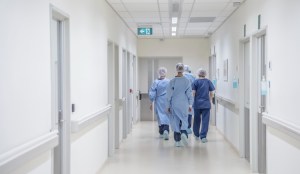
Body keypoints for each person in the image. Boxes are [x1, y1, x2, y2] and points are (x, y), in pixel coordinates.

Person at [167, 63, 193, 147]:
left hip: (174, 104)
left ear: (176, 69)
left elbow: (168, 95)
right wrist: (190, 105)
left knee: (175, 121)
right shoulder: (187, 81)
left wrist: (167, 106)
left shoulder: (172, 81)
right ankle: (184, 134)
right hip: (184, 104)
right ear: (183, 70)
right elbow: (190, 94)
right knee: (184, 120)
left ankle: (177, 141)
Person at [192, 68, 215, 143]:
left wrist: (192, 102)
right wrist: (210, 101)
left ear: (198, 74)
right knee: (205, 120)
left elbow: (193, 93)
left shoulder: (195, 82)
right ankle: (203, 136)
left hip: (197, 104)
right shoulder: (208, 82)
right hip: (206, 104)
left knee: (196, 119)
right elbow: (212, 93)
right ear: (205, 74)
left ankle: (196, 134)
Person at [149, 67, 170, 140]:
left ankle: (161, 131)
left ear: (159, 73)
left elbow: (152, 93)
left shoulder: (156, 82)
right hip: (167, 100)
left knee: (160, 115)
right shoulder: (169, 81)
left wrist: (151, 102)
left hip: (159, 101)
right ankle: (166, 130)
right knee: (167, 115)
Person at [183, 65, 196, 134]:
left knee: (181, 112)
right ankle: (188, 127)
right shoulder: (192, 76)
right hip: (190, 96)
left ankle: (182, 127)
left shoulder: (179, 76)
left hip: (181, 97)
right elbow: (195, 87)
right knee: (189, 111)